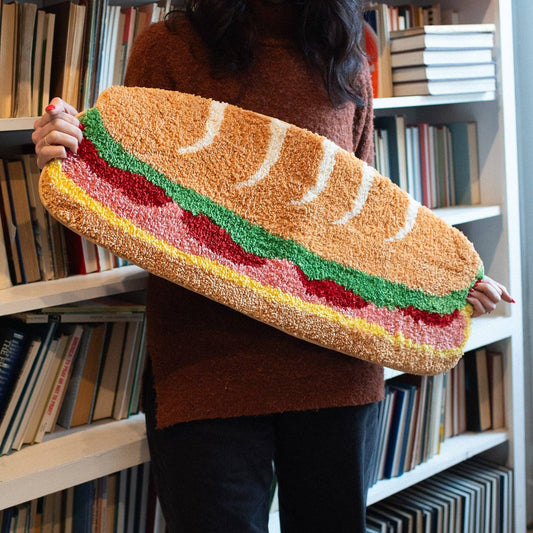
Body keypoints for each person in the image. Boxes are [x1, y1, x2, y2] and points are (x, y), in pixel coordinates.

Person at [32, 1, 514, 531]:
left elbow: (363, 221)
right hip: (207, 372)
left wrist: (445, 281)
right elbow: (138, 205)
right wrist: (71, 152)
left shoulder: (345, 59)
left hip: (338, 370)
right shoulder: (169, 48)